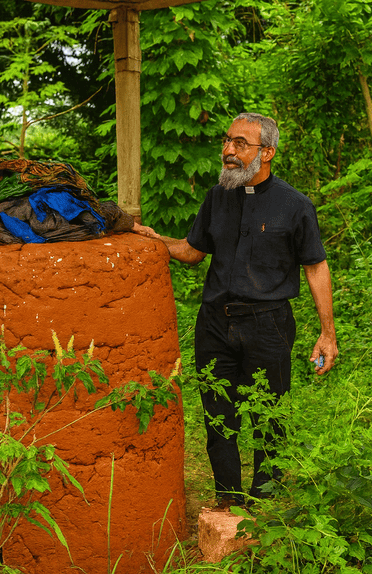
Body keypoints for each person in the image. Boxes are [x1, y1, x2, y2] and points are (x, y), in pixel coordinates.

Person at [134, 112, 338, 506]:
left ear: (268, 152)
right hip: (214, 326)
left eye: (240, 144)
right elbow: (193, 251)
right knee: (217, 417)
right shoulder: (217, 197)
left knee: (269, 418)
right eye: (227, 141)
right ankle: (228, 501)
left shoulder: (295, 206)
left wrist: (327, 333)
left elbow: (315, 266)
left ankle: (264, 506)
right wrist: (154, 240)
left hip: (268, 326)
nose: (228, 151)